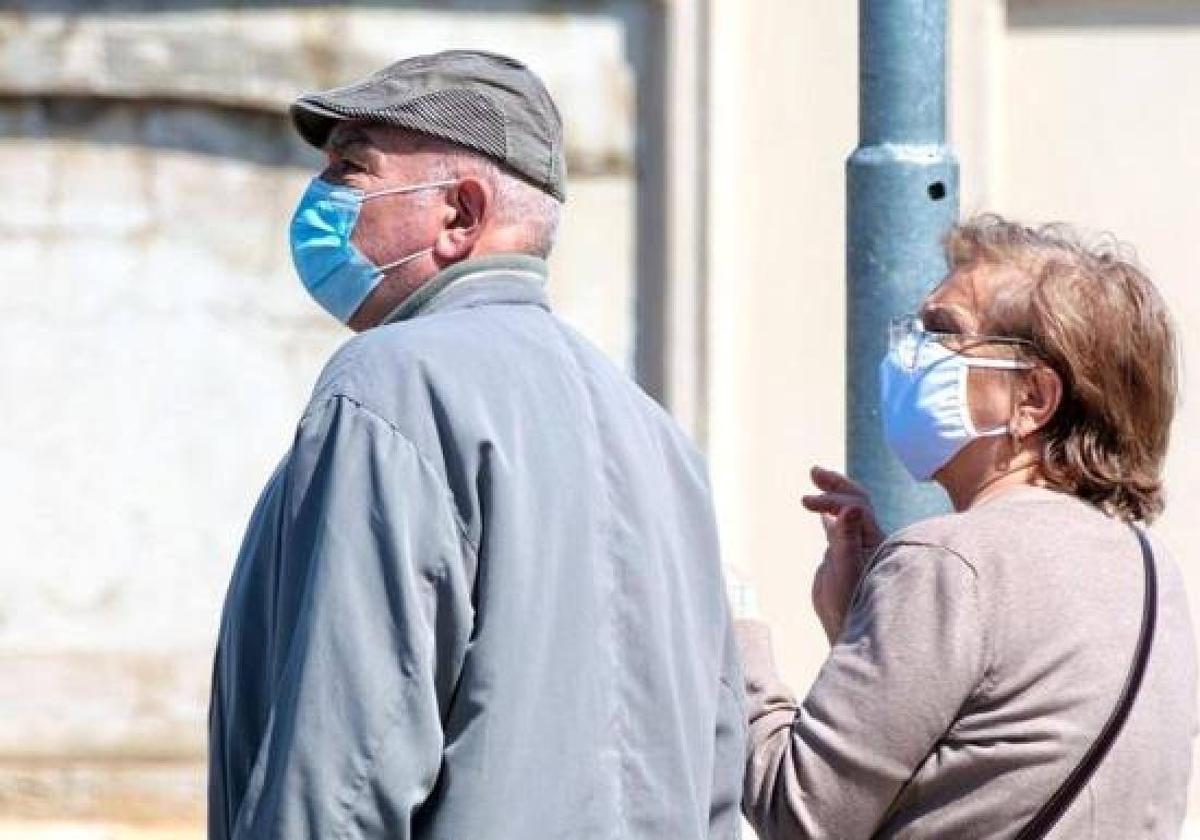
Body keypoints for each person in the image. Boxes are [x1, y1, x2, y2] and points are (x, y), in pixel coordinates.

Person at [207, 50, 744, 840]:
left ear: (460, 213)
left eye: (351, 170)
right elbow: (717, 770)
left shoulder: (392, 384)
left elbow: (349, 756)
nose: (322, 199)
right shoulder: (657, 434)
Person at [736, 216, 1196, 838]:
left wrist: (732, 637)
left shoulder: (947, 562)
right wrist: (865, 627)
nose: (907, 352)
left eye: (941, 331)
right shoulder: (1149, 568)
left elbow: (799, 812)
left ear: (1033, 398)